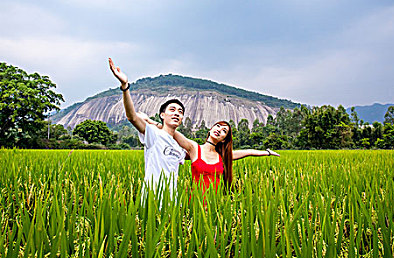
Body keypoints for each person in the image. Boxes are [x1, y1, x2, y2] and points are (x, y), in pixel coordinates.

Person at [108, 58, 187, 193]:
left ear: (181, 119)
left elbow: (202, 154)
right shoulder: (154, 134)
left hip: (172, 205)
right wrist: (125, 86)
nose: (177, 114)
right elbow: (132, 117)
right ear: (162, 115)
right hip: (152, 201)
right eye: (172, 110)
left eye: (180, 112)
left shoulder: (179, 147)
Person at [143, 117, 280, 193]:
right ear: (211, 129)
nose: (219, 130)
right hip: (195, 202)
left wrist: (267, 152)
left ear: (224, 139)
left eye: (224, 131)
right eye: (218, 126)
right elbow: (171, 131)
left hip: (215, 204)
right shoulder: (193, 148)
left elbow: (249, 152)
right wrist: (151, 122)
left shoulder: (223, 156)